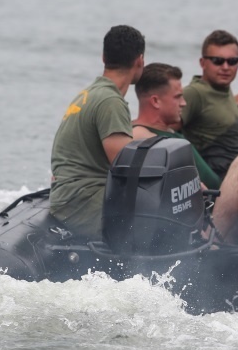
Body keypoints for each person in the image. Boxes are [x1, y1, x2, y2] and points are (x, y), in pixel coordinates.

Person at [49, 25, 145, 239]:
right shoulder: (111, 102)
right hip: (83, 203)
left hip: (67, 196)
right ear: (139, 61)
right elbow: (125, 168)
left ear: (103, 57)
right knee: (161, 222)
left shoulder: (89, 94)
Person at [131, 63, 221, 190]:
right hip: (210, 197)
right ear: (155, 101)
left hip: (216, 190)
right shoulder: (140, 137)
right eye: (178, 97)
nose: (184, 103)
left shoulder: (168, 132)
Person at [179, 30, 238, 179]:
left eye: (232, 61)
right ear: (202, 63)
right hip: (222, 177)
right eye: (217, 61)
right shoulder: (195, 93)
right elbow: (166, 127)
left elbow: (212, 112)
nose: (225, 67)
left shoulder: (222, 89)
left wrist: (237, 103)